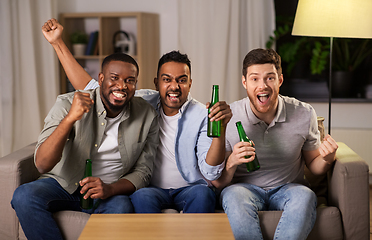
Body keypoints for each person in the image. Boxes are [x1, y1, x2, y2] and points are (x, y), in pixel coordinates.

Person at [40, 18, 232, 213]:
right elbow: (92, 87)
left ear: (190, 83)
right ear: (156, 83)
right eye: (167, 80)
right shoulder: (140, 100)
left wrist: (220, 129)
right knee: (141, 197)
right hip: (151, 189)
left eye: (182, 80)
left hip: (190, 188)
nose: (174, 86)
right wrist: (57, 43)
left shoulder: (201, 114)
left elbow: (211, 172)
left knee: (203, 194)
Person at [11, 38, 159, 239]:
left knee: (122, 206)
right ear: (100, 79)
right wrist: (71, 118)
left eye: (130, 80)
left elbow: (143, 171)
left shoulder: (147, 114)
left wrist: (109, 189)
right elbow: (42, 165)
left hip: (107, 190)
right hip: (62, 183)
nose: (122, 86)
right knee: (24, 196)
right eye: (114, 78)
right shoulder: (67, 103)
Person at [212, 48, 338, 240]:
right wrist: (231, 162)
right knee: (232, 195)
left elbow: (314, 165)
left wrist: (327, 158)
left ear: (280, 80)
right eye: (254, 79)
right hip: (243, 189)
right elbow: (218, 182)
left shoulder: (304, 113)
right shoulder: (229, 117)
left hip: (289, 187)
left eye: (269, 78)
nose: (262, 86)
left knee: (306, 195)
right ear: (244, 82)